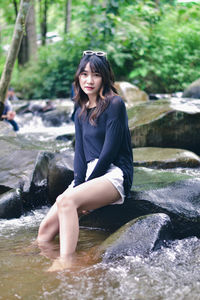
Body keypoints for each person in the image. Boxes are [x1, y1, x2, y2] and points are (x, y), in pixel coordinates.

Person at [37, 50, 133, 271]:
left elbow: (109, 152)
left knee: (68, 201)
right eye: (84, 74)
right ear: (78, 77)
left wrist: (83, 190)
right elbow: (79, 152)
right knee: (44, 234)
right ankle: (58, 258)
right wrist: (79, 185)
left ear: (105, 78)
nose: (89, 80)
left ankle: (67, 262)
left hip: (114, 172)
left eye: (96, 75)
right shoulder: (80, 109)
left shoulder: (115, 104)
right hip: (91, 173)